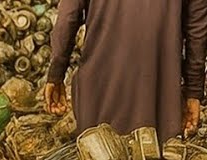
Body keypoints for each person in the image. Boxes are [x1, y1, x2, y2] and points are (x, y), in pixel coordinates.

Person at [45, 0, 207, 140]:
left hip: (98, 101)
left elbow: (68, 16)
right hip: (158, 106)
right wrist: (193, 92)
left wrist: (56, 74)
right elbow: (197, 30)